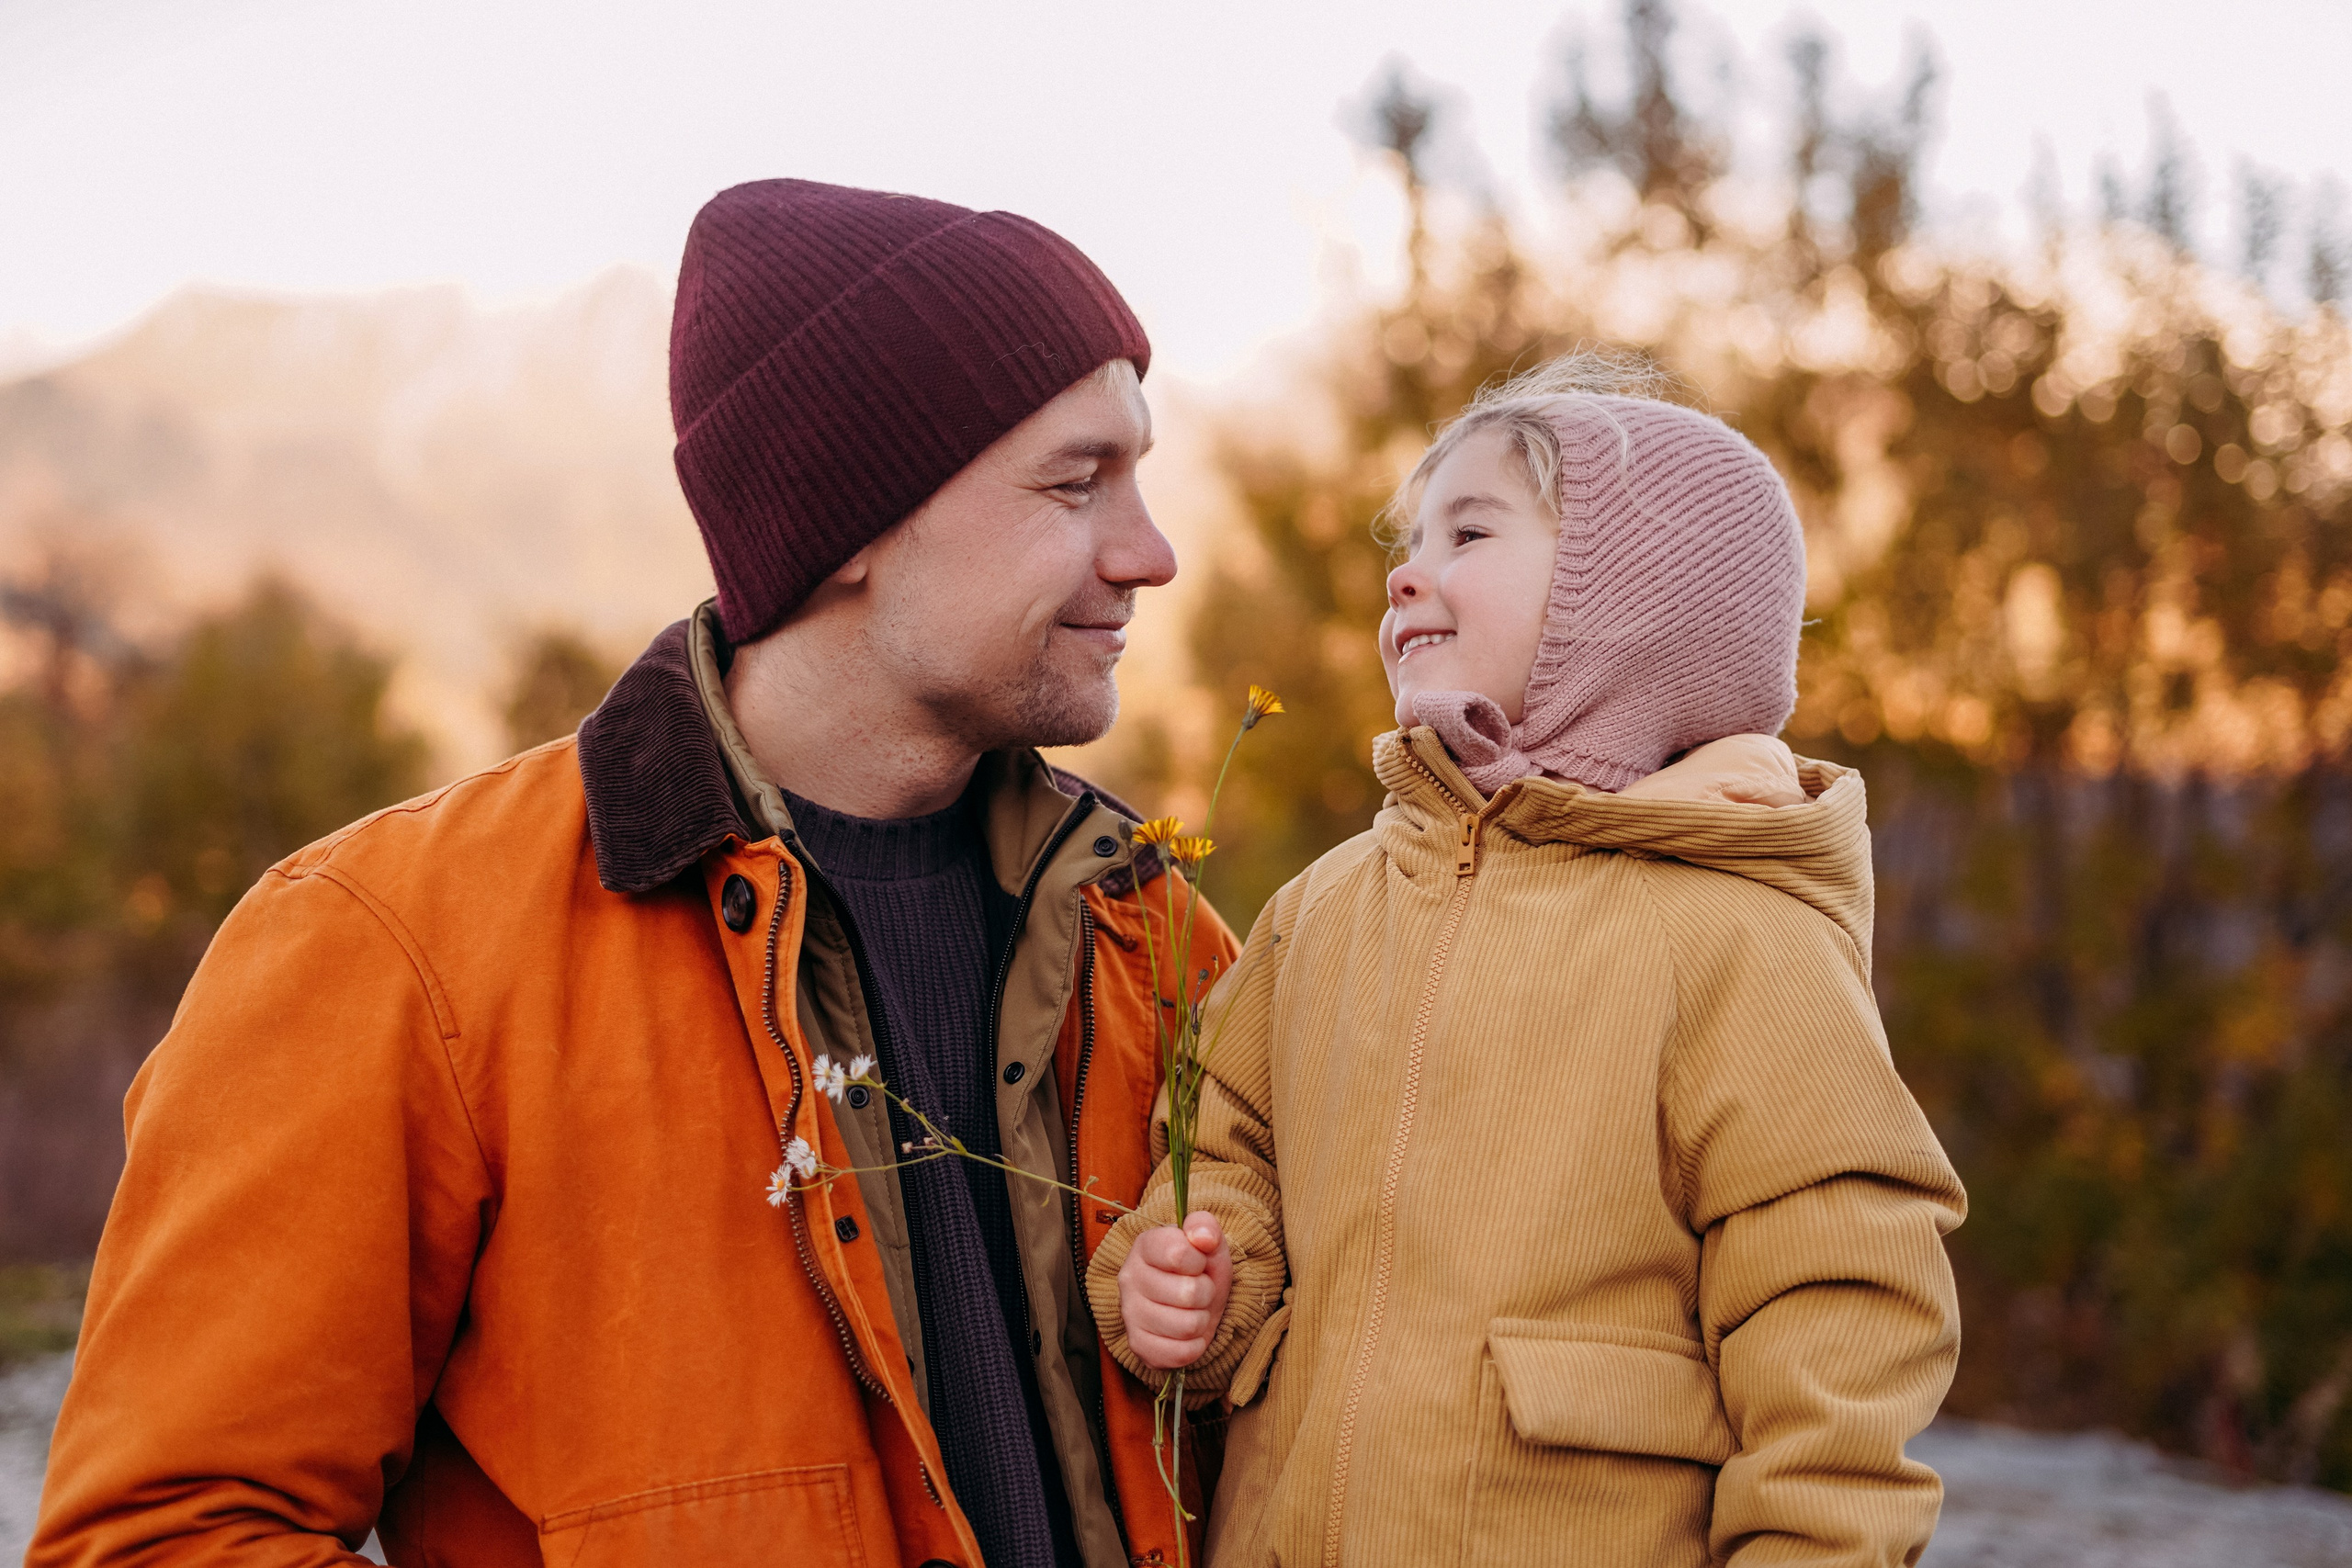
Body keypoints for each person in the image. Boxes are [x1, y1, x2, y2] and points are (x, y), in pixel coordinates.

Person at [29, 187, 1795, 1568]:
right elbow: (167, 1536)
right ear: (857, 525)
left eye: (1142, 477)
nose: (1152, 552)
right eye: (1075, 482)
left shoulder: (1172, 948)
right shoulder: (391, 954)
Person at [1092, 355, 1968, 1566]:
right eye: (1411, 538)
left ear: (1634, 596)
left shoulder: (1735, 932)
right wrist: (1197, 1275)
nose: (1410, 570)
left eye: (1470, 530)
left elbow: (1836, 1304)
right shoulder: (1329, 908)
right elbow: (1225, 1141)